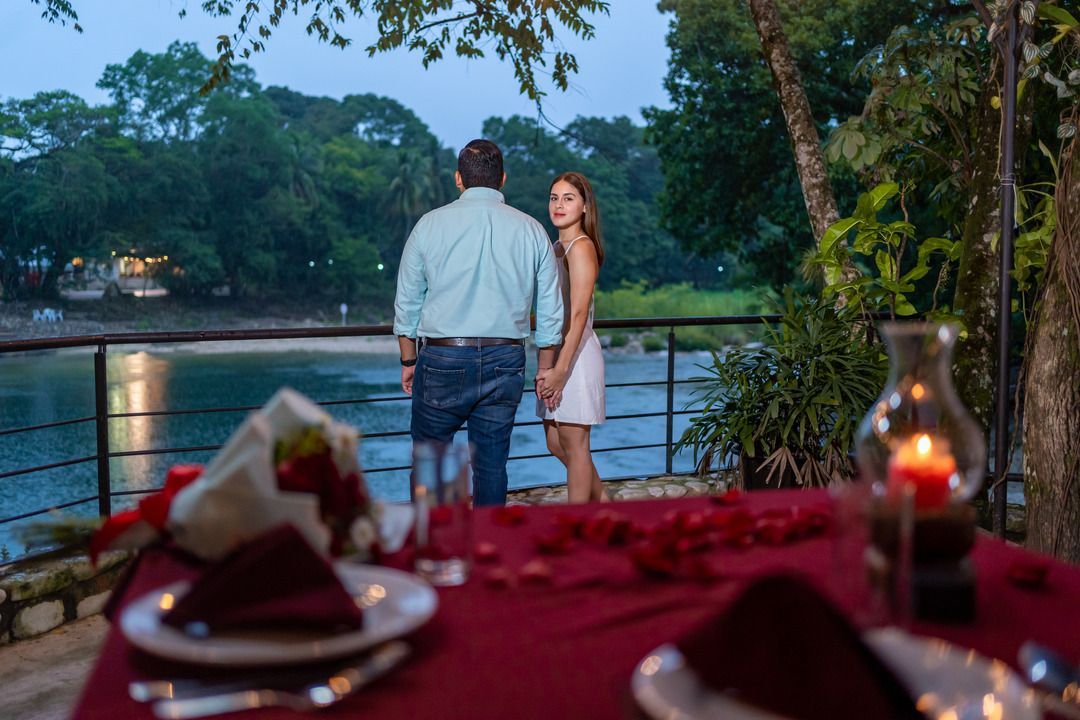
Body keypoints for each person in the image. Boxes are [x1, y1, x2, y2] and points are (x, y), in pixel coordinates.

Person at [394, 139, 564, 506]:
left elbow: (407, 303)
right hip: (506, 359)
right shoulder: (533, 229)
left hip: (441, 359)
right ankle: (491, 548)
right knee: (491, 466)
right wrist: (545, 369)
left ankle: (433, 549)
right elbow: (551, 310)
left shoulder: (428, 225)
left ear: (459, 179)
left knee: (432, 464)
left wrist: (409, 361)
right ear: (502, 178)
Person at [535, 172, 607, 503]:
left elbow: (578, 316)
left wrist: (561, 369)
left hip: (576, 357)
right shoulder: (555, 247)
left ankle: (578, 528)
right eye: (554, 197)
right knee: (554, 442)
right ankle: (604, 504)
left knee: (575, 445)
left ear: (584, 207)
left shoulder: (582, 247)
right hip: (557, 354)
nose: (559, 205)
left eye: (568, 198)